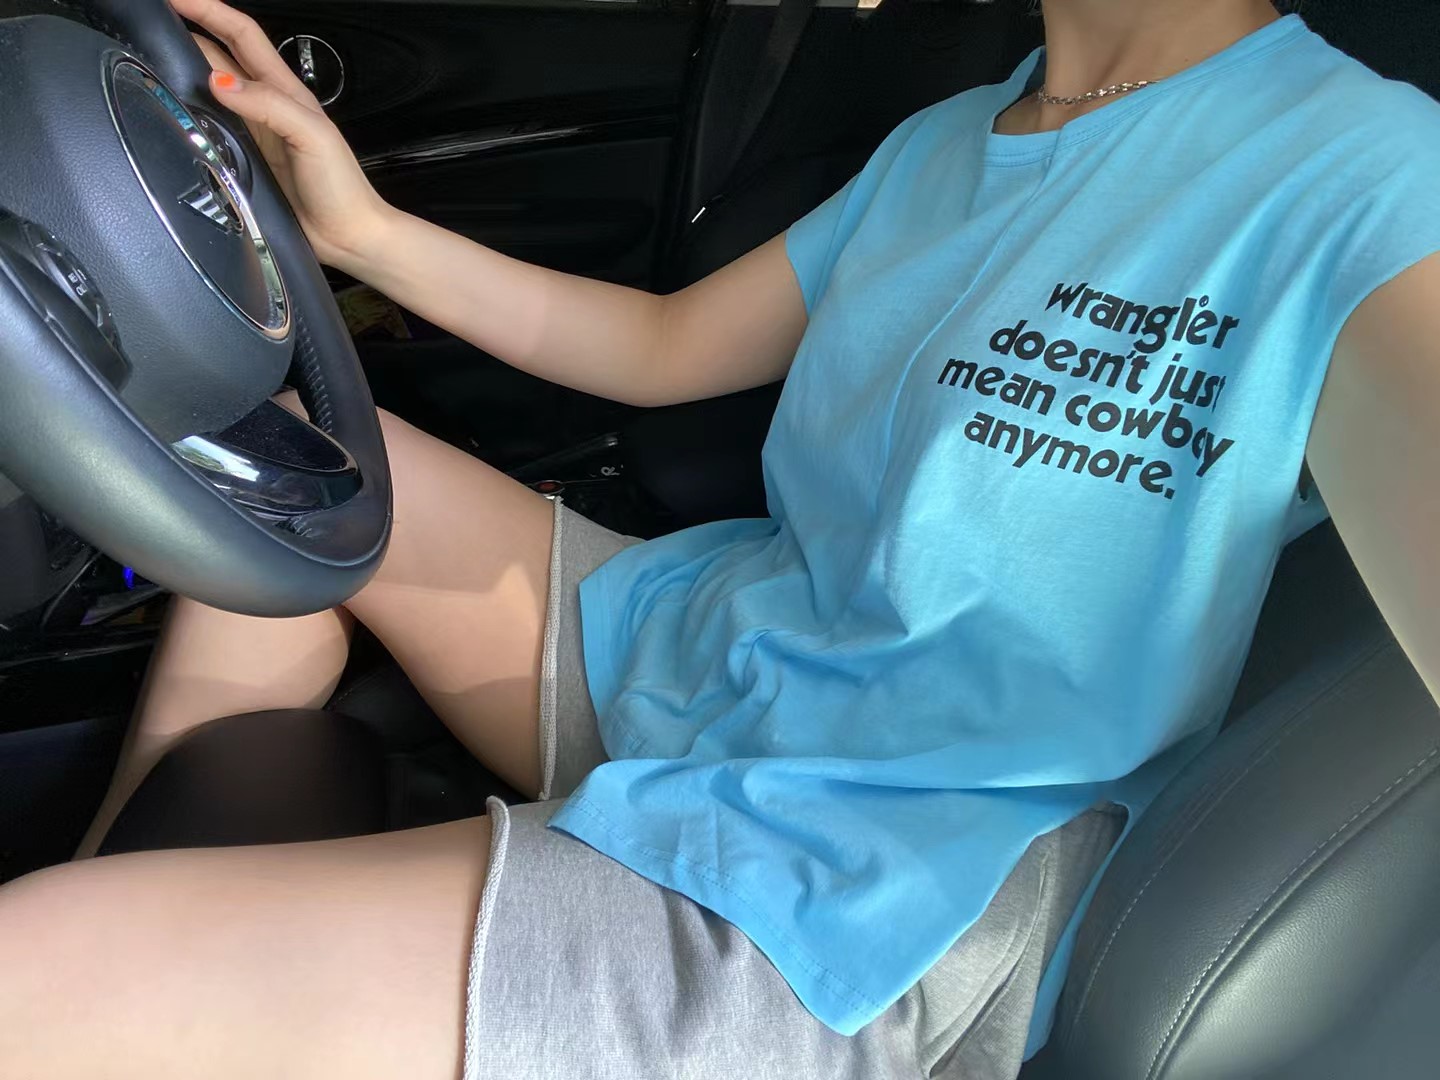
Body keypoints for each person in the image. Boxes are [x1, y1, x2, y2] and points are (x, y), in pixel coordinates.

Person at [3, 0, 1440, 1075]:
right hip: (719, 654)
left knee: (36, 969)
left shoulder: (1369, 173)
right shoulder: (956, 135)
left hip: (866, 881)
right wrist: (364, 232)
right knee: (289, 474)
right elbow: (660, 347)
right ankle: (147, 878)